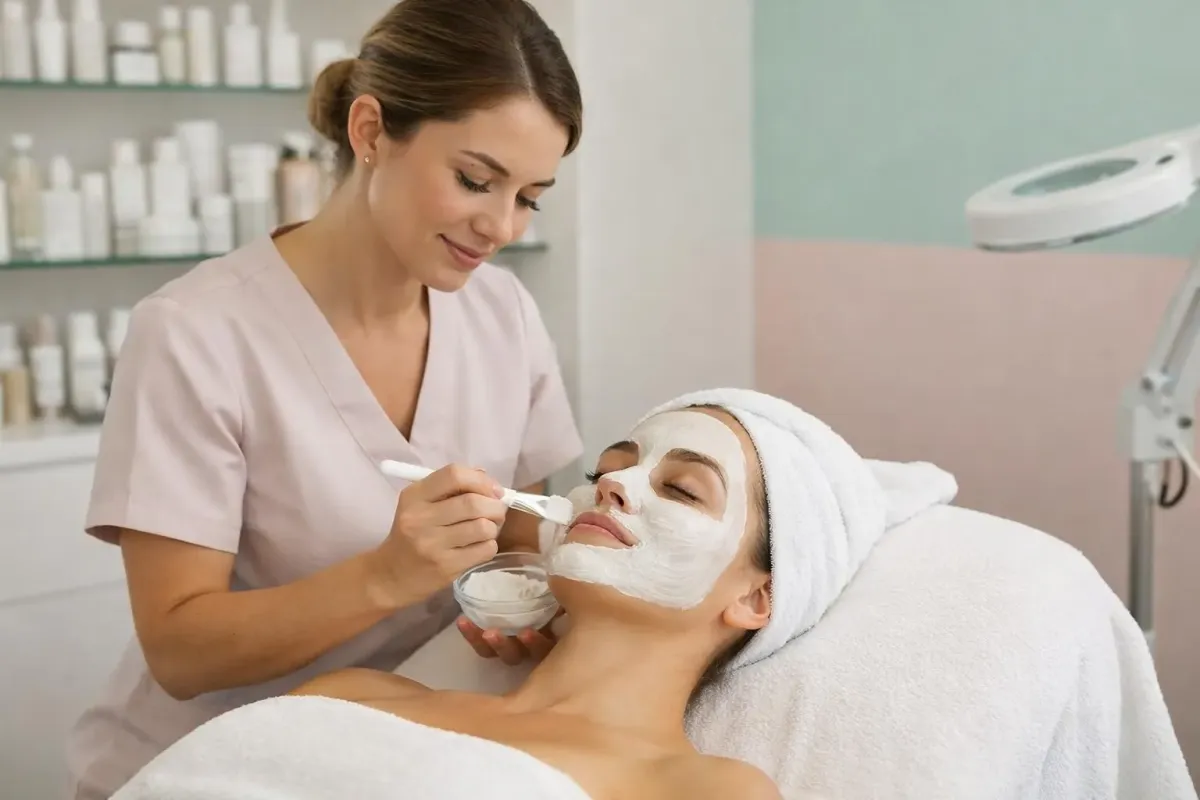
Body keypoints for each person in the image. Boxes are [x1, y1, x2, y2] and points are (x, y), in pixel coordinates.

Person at [67, 1, 583, 796]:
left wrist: (518, 608)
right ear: (371, 131)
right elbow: (179, 651)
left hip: (395, 758)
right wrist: (387, 574)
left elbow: (518, 541)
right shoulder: (195, 334)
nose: (502, 224)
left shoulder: (502, 313)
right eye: (476, 180)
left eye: (529, 196)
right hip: (210, 768)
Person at [109, 398, 787, 799]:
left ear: (758, 598)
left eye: (681, 489)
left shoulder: (706, 790)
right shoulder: (356, 696)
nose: (614, 487)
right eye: (603, 472)